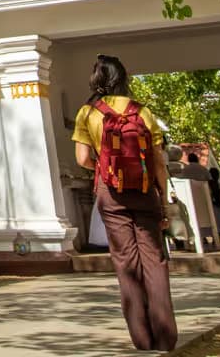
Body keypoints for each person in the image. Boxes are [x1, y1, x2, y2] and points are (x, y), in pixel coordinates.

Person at [73, 54, 177, 352]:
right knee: (154, 260)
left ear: (96, 79)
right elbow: (158, 161)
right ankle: (166, 337)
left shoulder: (88, 113)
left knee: (125, 262)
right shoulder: (142, 112)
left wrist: (105, 168)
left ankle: (142, 339)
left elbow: (82, 159)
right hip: (144, 190)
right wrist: (163, 197)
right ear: (123, 78)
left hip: (111, 193)